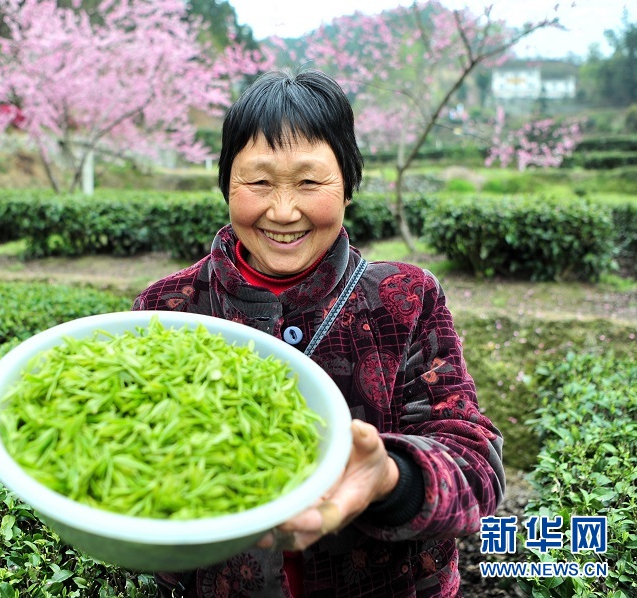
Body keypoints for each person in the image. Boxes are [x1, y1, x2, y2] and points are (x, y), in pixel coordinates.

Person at [131, 69, 505, 597]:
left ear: (348, 185)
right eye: (258, 182)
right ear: (226, 185)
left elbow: (477, 472)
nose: (283, 211)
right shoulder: (170, 307)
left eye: (310, 182)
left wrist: (390, 477)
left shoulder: (405, 299)